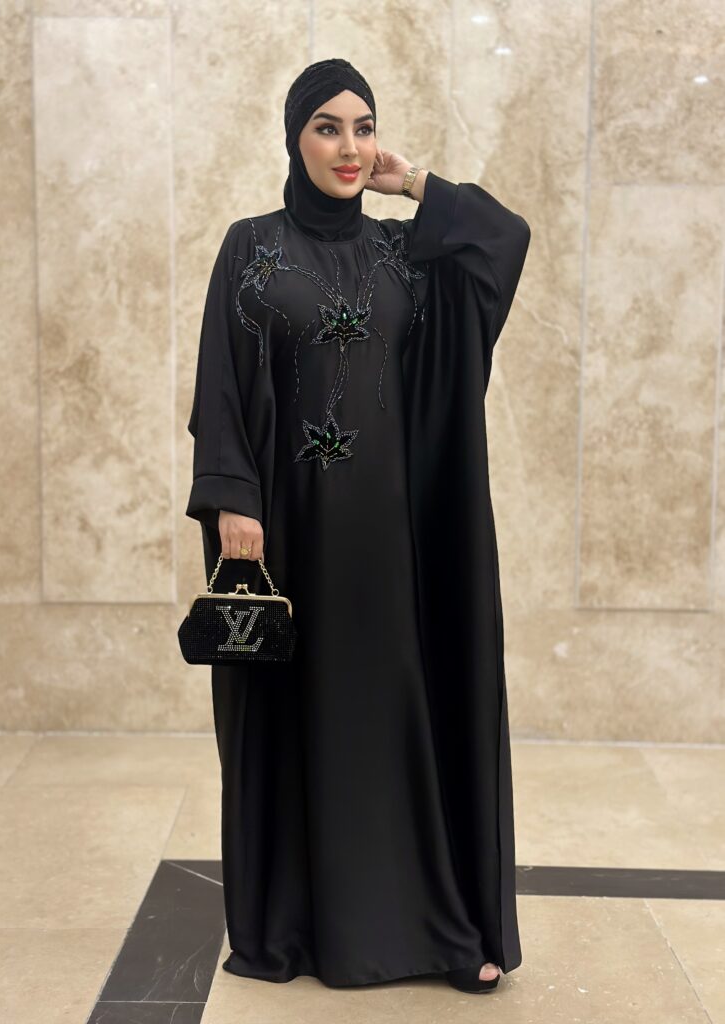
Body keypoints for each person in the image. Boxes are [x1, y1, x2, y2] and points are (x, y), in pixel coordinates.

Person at [185, 58, 531, 994]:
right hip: (289, 531)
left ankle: (428, 922)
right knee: (297, 719)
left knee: (391, 717)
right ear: (294, 138)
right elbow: (221, 382)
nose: (348, 147)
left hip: (391, 541)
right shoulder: (251, 247)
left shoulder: (403, 254)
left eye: (363, 127)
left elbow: (502, 238)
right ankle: (300, 925)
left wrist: (413, 182)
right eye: (327, 127)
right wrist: (232, 498)